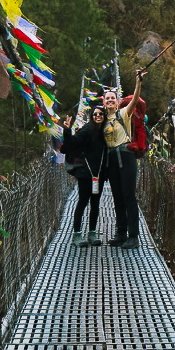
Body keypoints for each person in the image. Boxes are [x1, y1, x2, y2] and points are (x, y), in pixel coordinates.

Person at [103, 70, 147, 249]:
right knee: (117, 197)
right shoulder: (101, 119)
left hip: (126, 157)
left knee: (129, 195)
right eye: (107, 98)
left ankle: (134, 236)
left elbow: (135, 100)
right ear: (104, 102)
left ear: (117, 100)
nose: (110, 100)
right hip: (111, 159)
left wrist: (138, 83)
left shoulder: (124, 113)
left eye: (113, 98)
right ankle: (121, 233)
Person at [62, 105, 107, 247]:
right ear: (91, 117)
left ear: (104, 116)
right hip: (85, 172)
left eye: (101, 114)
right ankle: (76, 235)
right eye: (95, 114)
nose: (98, 116)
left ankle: (92, 234)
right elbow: (71, 143)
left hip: (99, 174)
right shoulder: (87, 130)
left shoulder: (107, 132)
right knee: (82, 201)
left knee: (95, 203)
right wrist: (67, 130)